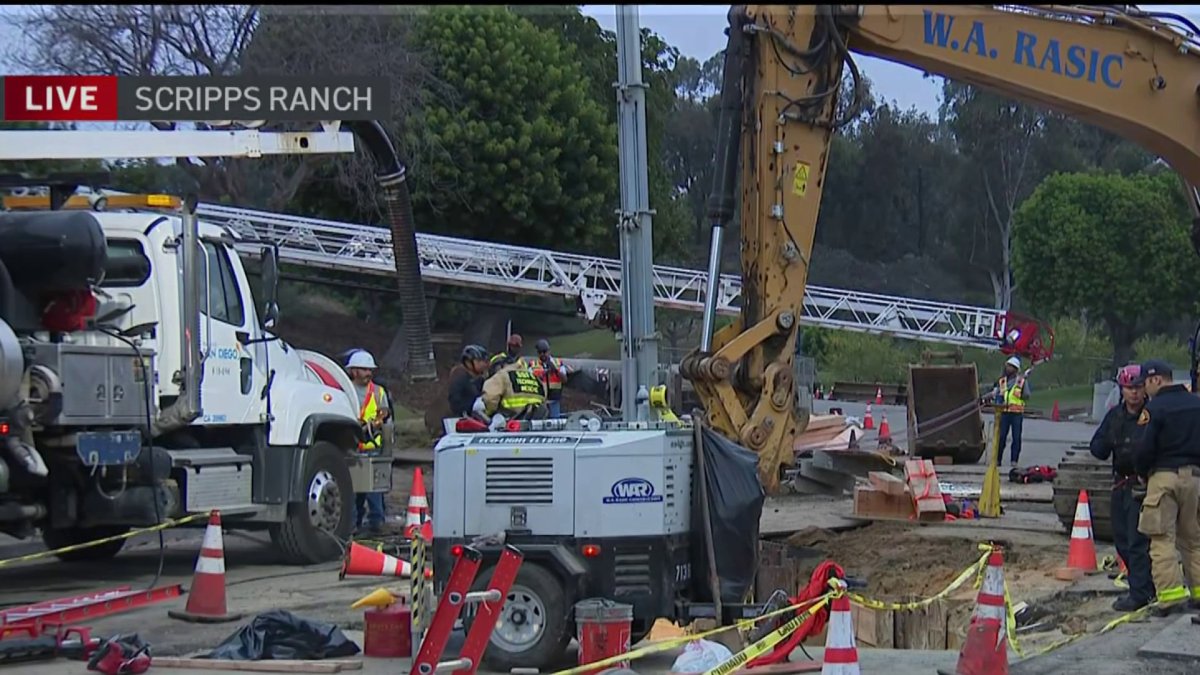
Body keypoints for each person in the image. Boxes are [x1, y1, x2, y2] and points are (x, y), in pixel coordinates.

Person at [1132, 359, 1200, 615]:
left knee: (1162, 539)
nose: (1143, 390)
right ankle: (1198, 593)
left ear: (1156, 380)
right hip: (1195, 479)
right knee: (1194, 540)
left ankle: (1171, 598)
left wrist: (1141, 473)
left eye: (1145, 383)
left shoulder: (1155, 408)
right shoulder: (1197, 403)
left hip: (1164, 478)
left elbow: (1143, 448)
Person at [1089, 364, 1156, 611]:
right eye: (1130, 388)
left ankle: (1141, 593)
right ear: (1122, 389)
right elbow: (1098, 447)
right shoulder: (1115, 416)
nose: (1134, 393)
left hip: (1144, 484)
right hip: (1120, 484)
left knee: (1138, 540)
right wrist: (1106, 442)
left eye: (1138, 388)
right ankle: (1143, 584)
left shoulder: (1153, 414)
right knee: (1122, 540)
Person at [346, 350, 390, 535]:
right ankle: (353, 523)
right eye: (364, 370)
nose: (368, 373)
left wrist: (375, 423)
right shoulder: (344, 390)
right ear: (354, 371)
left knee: (374, 490)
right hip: (351, 447)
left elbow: (384, 411)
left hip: (372, 447)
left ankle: (376, 523)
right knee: (354, 489)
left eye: (369, 370)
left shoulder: (378, 391)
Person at [474, 355, 549, 430]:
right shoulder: (534, 377)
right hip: (536, 426)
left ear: (499, 366)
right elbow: (544, 399)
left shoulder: (502, 375)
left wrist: (488, 413)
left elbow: (489, 399)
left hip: (511, 425)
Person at [994, 356, 1031, 466]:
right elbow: (999, 396)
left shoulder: (1021, 381)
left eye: (1010, 367)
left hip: (1016, 414)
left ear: (1015, 369)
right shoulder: (1002, 382)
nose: (1008, 369)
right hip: (1004, 412)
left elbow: (1027, 395)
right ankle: (998, 459)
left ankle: (1014, 460)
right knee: (1001, 437)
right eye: (1007, 366)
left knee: (1016, 438)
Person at [531, 339, 569, 418]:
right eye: (540, 352)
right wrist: (543, 374)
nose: (542, 354)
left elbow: (565, 380)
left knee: (554, 422)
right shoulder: (532, 364)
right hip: (540, 401)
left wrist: (555, 370)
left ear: (548, 351)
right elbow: (530, 381)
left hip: (554, 400)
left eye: (544, 352)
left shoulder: (558, 363)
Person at [449, 344, 490, 417]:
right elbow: (455, 404)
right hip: (453, 422)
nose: (484, 364)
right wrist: (473, 405)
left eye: (485, 361)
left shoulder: (479, 379)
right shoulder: (459, 377)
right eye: (479, 360)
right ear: (468, 362)